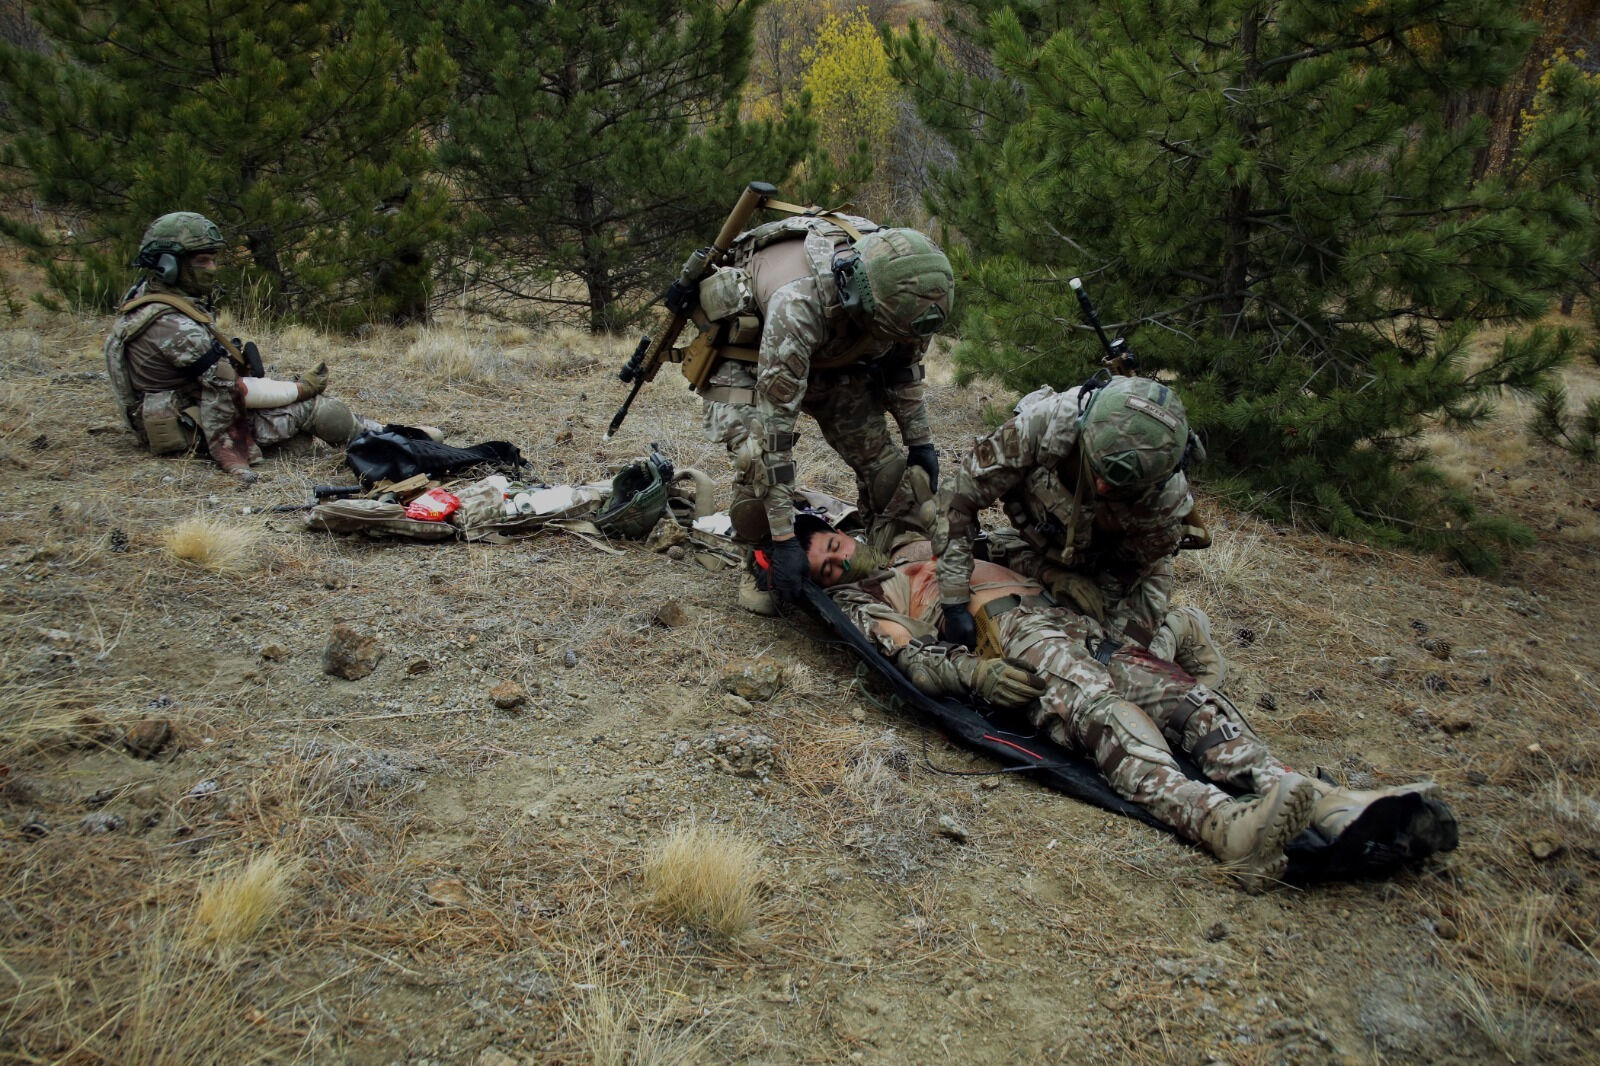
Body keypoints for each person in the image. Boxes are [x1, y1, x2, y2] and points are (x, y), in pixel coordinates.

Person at [791, 522, 1442, 890]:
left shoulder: (942, 545)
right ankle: (1223, 825)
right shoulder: (869, 600)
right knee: (1105, 717)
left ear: (846, 533)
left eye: (832, 548)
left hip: (1076, 624)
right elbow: (908, 660)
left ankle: (1312, 800)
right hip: (1014, 640)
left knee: (1192, 703)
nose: (837, 563)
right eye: (825, 569)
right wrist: (977, 675)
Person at [686, 211, 954, 614]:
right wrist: (782, 539)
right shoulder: (798, 306)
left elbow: (903, 372)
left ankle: (895, 550)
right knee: (754, 458)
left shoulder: (916, 293)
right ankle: (758, 559)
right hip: (750, 355)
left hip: (838, 353)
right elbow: (775, 437)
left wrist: (921, 444)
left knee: (889, 473)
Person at [935, 374, 1202, 655]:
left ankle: (1181, 627)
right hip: (1047, 547)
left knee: (1118, 658)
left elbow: (1127, 572)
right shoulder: (1044, 425)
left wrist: (1090, 615)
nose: (1101, 486)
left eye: (1118, 486)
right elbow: (958, 500)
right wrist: (953, 604)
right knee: (974, 557)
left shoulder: (1166, 502)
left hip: (1122, 573)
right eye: (1097, 469)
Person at [104, 211, 377, 484]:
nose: (211, 268)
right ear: (168, 265)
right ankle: (383, 439)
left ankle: (380, 432)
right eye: (202, 261)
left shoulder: (145, 299)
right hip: (188, 425)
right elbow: (233, 388)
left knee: (300, 429)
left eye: (213, 259)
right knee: (317, 409)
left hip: (175, 415)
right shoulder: (173, 324)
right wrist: (300, 389)